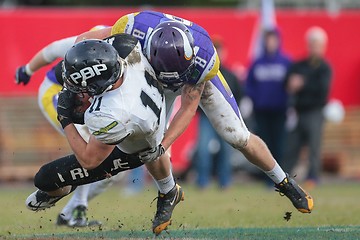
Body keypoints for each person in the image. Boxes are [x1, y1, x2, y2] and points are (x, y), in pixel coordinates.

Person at [77, 10, 314, 214]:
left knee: (238, 136)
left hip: (190, 78)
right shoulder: (132, 27)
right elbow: (84, 41)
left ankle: (283, 181)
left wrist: (164, 145)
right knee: (150, 139)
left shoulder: (202, 55)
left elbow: (189, 108)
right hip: (150, 76)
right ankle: (168, 193)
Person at [25, 35, 184, 236]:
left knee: (45, 178)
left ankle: (66, 191)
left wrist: (64, 119)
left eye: (80, 89)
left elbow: (89, 160)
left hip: (133, 146)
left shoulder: (108, 112)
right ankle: (168, 189)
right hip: (151, 116)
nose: (76, 93)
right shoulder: (127, 47)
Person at [15, 25, 113, 227]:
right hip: (56, 92)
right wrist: (28, 69)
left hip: (87, 99)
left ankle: (69, 213)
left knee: (109, 169)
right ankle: (78, 209)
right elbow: (52, 50)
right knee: (89, 145)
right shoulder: (91, 42)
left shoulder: (125, 52)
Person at [283, 26, 332, 187]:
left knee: (313, 147)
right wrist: (291, 84)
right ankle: (284, 178)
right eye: (312, 44)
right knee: (292, 146)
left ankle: (313, 178)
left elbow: (322, 90)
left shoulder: (324, 68)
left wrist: (302, 83)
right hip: (298, 111)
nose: (315, 48)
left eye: (318, 44)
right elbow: (287, 83)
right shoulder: (299, 65)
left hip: (315, 112)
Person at [194, 36, 243, 189]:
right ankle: (202, 182)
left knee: (226, 151)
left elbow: (239, 96)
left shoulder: (230, 75)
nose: (218, 52)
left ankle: (225, 182)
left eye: (219, 49)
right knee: (202, 150)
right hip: (206, 117)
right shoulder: (203, 73)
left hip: (225, 118)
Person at [246, 29, 291, 184]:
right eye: (268, 40)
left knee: (280, 144)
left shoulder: (286, 62)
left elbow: (291, 86)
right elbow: (249, 84)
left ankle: (282, 179)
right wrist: (255, 99)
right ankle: (267, 178)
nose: (271, 43)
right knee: (264, 145)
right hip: (261, 111)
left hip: (280, 111)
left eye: (273, 40)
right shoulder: (257, 63)